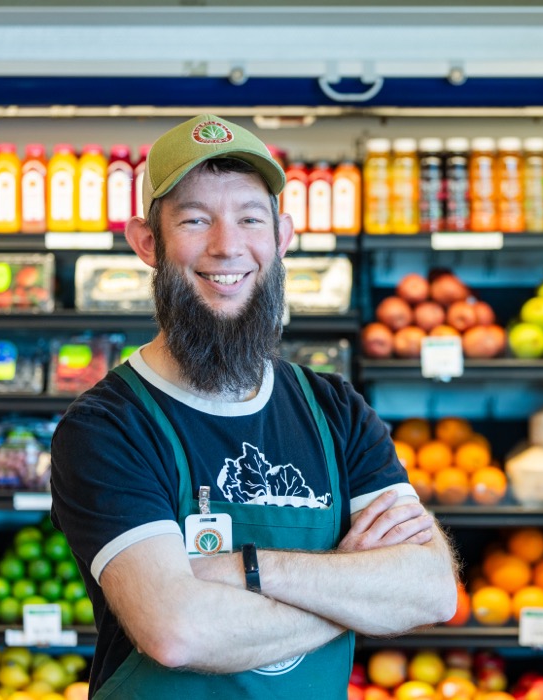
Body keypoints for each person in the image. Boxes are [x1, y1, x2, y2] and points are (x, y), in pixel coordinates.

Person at [50, 114, 458, 698]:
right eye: (195, 219)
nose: (227, 246)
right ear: (147, 242)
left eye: (250, 218)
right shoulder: (108, 427)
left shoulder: (334, 411)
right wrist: (353, 596)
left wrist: (244, 569)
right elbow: (177, 631)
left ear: (282, 235)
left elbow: (432, 589)